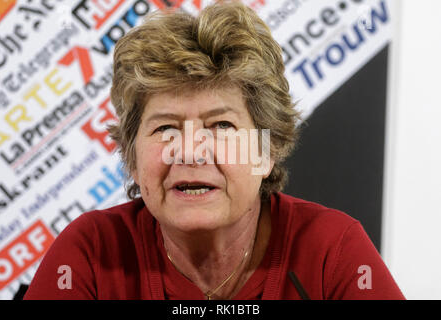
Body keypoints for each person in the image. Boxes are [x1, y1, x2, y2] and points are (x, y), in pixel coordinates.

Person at [24, 1, 404, 300]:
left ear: (266, 149)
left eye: (221, 126)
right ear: (132, 157)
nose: (190, 151)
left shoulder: (330, 251)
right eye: (166, 128)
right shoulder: (91, 253)